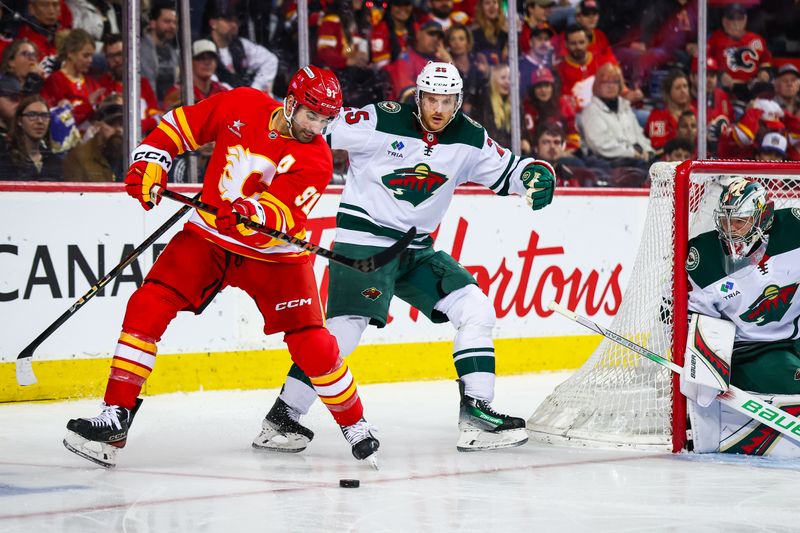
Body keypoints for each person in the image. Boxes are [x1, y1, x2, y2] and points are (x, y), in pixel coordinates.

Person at [62, 65, 380, 468]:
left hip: (274, 257)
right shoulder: (241, 103)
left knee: (312, 343)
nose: (316, 127)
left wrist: (251, 213)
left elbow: (280, 216)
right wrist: (153, 160)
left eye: (325, 120)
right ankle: (115, 417)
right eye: (310, 115)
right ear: (291, 102)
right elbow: (181, 125)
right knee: (147, 305)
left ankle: (355, 424)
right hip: (208, 238)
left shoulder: (316, 158)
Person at [252, 61, 556, 454]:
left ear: (458, 101)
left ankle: (478, 414)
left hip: (416, 249)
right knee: (343, 333)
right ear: (418, 95)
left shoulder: (469, 137)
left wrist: (537, 173)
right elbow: (316, 127)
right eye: (431, 98)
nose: (438, 109)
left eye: (447, 101)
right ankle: (283, 417)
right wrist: (264, 154)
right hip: (363, 242)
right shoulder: (380, 119)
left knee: (476, 308)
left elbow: (513, 169)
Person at [683, 178, 800, 457]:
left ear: (763, 217)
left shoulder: (795, 229)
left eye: (739, 221)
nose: (729, 230)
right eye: (724, 221)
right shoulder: (703, 258)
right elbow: (689, 319)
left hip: (794, 339)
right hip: (750, 351)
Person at [206, 4, 278, 94]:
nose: (234, 25)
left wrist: (255, 89)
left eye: (236, 21)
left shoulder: (241, 44)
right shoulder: (205, 48)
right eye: (228, 20)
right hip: (222, 100)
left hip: (246, 99)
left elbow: (270, 60)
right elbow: (210, 79)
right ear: (213, 23)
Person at [40, 28, 104, 128]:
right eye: (85, 56)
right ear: (70, 53)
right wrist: (88, 105)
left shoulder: (93, 84)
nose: (90, 60)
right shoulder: (54, 81)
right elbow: (58, 120)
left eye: (91, 56)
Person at [0, 94, 61, 180]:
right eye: (32, 115)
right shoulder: (5, 158)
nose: (40, 121)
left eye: (44, 116)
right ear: (19, 121)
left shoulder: (54, 161)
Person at [61, 97, 124, 181]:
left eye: (122, 124)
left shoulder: (135, 155)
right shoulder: (79, 157)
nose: (118, 130)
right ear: (97, 125)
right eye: (111, 124)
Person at [162, 39, 228, 109]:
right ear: (190, 62)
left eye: (211, 58)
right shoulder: (178, 92)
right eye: (201, 58)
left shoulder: (222, 91)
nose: (207, 63)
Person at [140, 1, 180, 103]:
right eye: (167, 21)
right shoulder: (142, 49)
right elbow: (148, 88)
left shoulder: (171, 51)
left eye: (175, 22)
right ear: (153, 23)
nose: (172, 26)